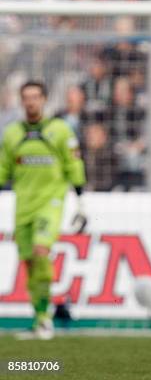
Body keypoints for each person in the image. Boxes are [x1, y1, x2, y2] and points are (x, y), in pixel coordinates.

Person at [0, 81, 87, 340]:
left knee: (40, 251)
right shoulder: (12, 133)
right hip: (23, 205)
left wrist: (81, 201)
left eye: (36, 97)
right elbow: (4, 168)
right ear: (20, 100)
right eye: (26, 97)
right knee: (29, 262)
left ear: (44, 99)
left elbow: (74, 164)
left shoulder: (59, 130)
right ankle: (40, 319)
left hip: (50, 203)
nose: (31, 102)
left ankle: (48, 317)